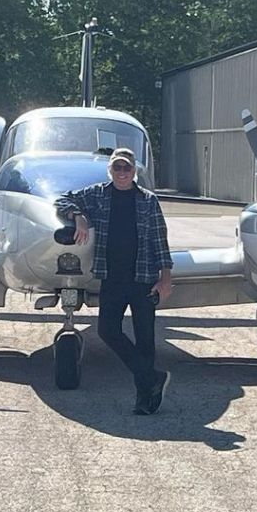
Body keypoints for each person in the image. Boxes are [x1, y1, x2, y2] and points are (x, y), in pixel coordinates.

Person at [54, 148, 173, 414]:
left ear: (135, 172)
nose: (122, 173)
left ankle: (145, 399)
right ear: (110, 170)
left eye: (127, 169)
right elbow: (62, 200)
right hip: (112, 277)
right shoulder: (97, 194)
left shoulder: (148, 200)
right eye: (117, 168)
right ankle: (152, 377)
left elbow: (159, 240)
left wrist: (165, 278)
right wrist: (80, 216)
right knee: (107, 330)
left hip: (143, 278)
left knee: (145, 340)